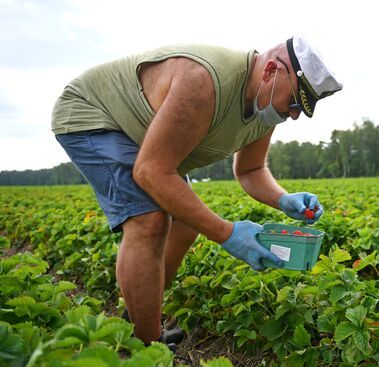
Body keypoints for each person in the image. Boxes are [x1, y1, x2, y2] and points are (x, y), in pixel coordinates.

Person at [51, 36, 342, 349]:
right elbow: (151, 171)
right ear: (271, 70)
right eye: (296, 103)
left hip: (143, 135)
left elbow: (251, 171)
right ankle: (147, 345)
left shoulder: (266, 106)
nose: (294, 114)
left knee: (186, 220)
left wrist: (283, 199)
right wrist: (227, 233)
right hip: (96, 115)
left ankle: (136, 318)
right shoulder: (203, 81)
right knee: (149, 221)